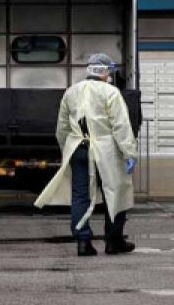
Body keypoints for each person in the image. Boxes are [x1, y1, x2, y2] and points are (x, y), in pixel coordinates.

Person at [35, 53, 138, 256]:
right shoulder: (111, 92)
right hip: (106, 149)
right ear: (106, 71)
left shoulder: (71, 92)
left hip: (78, 148)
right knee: (115, 191)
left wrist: (68, 149)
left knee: (81, 195)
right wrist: (130, 153)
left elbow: (62, 127)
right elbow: (121, 126)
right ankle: (113, 241)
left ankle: (83, 242)